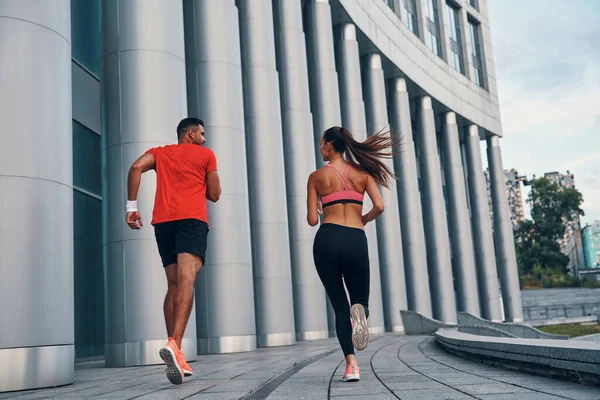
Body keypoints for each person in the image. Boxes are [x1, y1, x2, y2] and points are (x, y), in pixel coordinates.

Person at [125, 117, 221, 385]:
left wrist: (131, 208)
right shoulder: (206, 155)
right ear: (190, 134)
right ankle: (175, 345)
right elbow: (214, 194)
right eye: (202, 133)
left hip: (163, 222)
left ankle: (176, 353)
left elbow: (135, 167)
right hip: (191, 220)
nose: (204, 138)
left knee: (173, 283)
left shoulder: (159, 153)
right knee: (187, 280)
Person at [306, 126, 397, 382]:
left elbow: (312, 220)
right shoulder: (363, 174)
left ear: (328, 146)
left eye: (321, 143)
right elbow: (379, 206)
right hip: (355, 238)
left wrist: (324, 207)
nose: (320, 147)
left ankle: (351, 366)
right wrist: (363, 219)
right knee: (360, 302)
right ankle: (362, 316)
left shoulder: (316, 177)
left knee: (339, 307)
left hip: (326, 240)